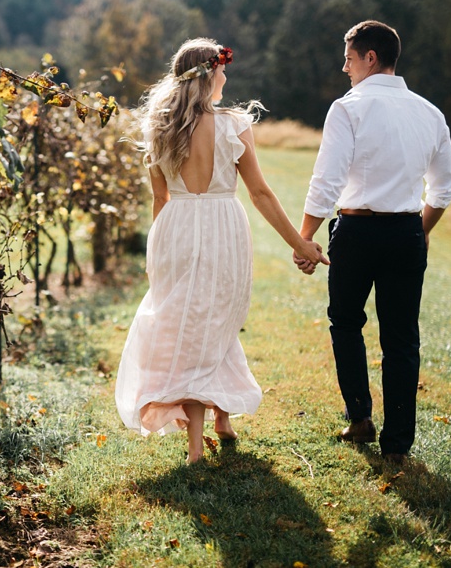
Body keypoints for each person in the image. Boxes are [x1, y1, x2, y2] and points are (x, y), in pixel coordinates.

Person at [115, 38, 328, 465]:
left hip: (174, 228)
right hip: (221, 227)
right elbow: (261, 192)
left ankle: (222, 418)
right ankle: (197, 446)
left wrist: (155, 254)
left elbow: (160, 199)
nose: (226, 77)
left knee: (195, 319)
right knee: (212, 316)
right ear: (211, 73)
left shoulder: (159, 125)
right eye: (223, 70)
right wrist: (299, 243)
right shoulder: (233, 124)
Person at [294, 20, 451, 464]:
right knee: (402, 339)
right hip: (407, 232)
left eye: (348, 58)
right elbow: (444, 189)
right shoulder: (430, 112)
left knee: (346, 323)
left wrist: (304, 237)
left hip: (358, 232)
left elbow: (326, 181)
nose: (343, 67)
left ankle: (361, 418)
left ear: (370, 57)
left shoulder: (348, 108)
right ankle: (397, 446)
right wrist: (419, 230)